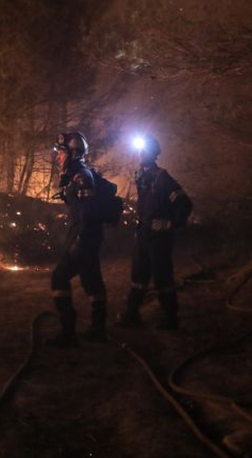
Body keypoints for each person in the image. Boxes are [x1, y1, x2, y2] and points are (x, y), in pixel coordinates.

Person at [117, 134, 192, 330]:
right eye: (140, 152)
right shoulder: (142, 178)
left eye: (144, 152)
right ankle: (132, 315)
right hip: (144, 236)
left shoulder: (163, 179)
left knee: (163, 278)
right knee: (138, 276)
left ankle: (171, 320)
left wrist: (169, 223)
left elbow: (184, 204)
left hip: (159, 239)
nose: (141, 155)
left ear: (152, 154)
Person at [49, 131, 107, 346]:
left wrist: (78, 242)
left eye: (62, 152)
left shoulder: (81, 177)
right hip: (88, 238)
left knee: (59, 278)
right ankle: (98, 329)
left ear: (74, 153)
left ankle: (68, 333)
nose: (59, 157)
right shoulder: (75, 176)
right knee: (91, 281)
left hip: (83, 238)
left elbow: (88, 214)